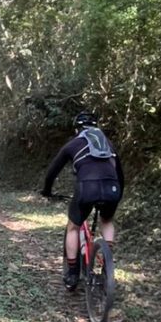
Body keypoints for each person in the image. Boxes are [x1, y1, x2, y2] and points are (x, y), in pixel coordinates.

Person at [41, 110, 124, 289]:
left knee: (73, 227)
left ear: (77, 129)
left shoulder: (73, 144)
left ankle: (72, 274)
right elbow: (120, 173)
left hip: (87, 188)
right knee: (107, 220)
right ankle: (107, 265)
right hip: (112, 187)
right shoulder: (107, 143)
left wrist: (47, 191)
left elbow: (52, 172)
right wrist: (118, 194)